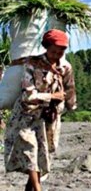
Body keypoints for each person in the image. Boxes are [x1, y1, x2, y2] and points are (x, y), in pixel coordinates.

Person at [4, 29, 77, 191]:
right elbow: (27, 96)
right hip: (26, 116)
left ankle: (30, 188)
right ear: (46, 47)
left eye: (61, 51)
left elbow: (70, 88)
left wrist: (71, 105)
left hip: (49, 118)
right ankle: (38, 189)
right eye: (53, 51)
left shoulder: (66, 67)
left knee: (42, 155)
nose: (57, 54)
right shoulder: (32, 64)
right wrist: (52, 96)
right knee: (31, 150)